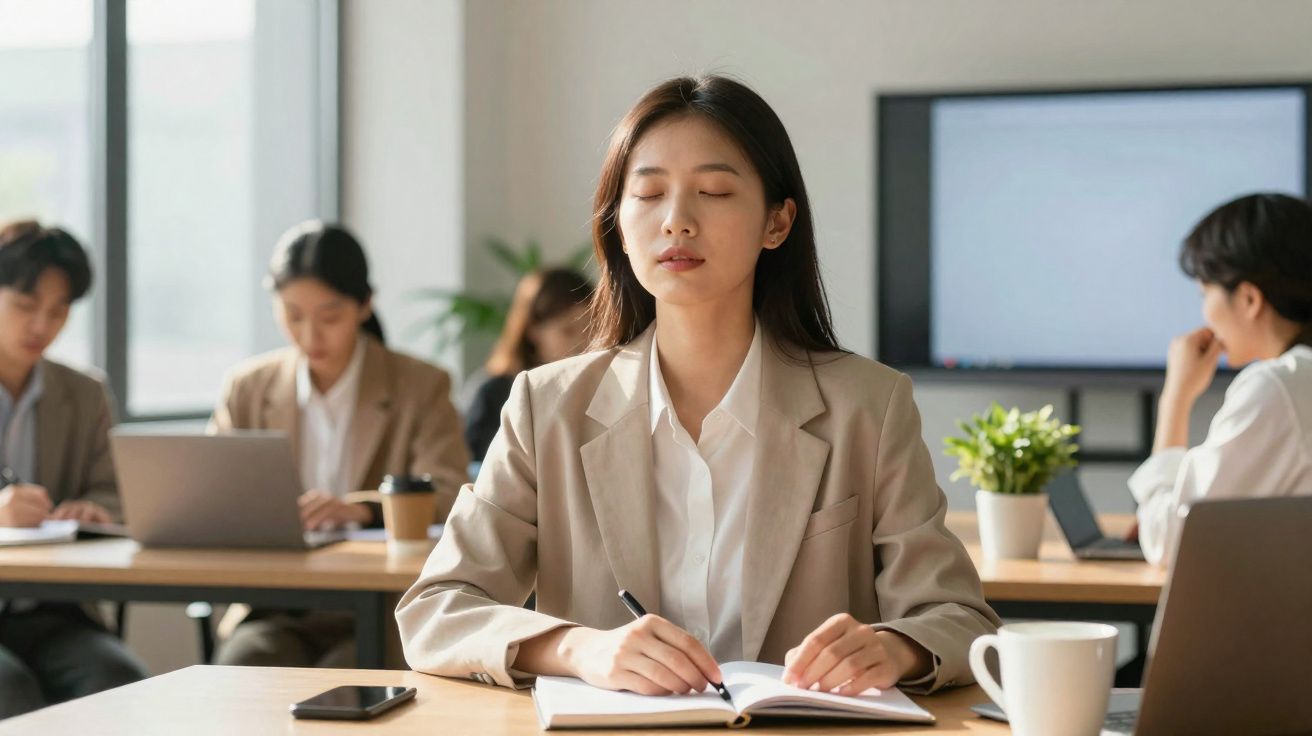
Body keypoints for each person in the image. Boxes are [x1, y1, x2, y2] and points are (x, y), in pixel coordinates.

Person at [397, 76, 998, 697]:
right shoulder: (546, 406)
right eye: (650, 193)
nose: (677, 221)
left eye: (713, 191)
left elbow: (958, 618)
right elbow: (436, 608)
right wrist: (580, 648)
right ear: (619, 227)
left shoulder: (867, 406)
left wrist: (891, 649)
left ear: (777, 221)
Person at [209, 221, 469, 667]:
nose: (310, 336)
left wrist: (363, 509)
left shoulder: (419, 386)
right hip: (275, 603)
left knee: (341, 688)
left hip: (383, 607)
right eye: (293, 315)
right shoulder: (247, 389)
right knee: (241, 669)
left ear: (364, 305)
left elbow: (451, 495)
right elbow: (210, 496)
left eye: (329, 317)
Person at [0, 220, 147, 718]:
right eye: (25, 306)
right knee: (9, 689)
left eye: (58, 311)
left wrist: (94, 510)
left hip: (53, 611)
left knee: (120, 682)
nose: (41, 325)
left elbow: (117, 494)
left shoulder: (84, 394)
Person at [1130, 193, 1312, 566]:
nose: (1205, 313)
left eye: (1205, 293)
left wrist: (1175, 398)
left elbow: (1171, 541)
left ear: (1248, 299)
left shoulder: (1279, 387)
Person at [465, 268, 593, 462]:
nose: (583, 341)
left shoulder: (597, 386)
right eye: (567, 330)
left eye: (591, 327)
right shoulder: (493, 393)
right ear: (533, 330)